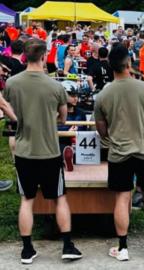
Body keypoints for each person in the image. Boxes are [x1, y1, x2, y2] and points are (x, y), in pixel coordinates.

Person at [4, 38, 82, 264]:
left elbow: (7, 107)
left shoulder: (13, 83)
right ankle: (67, 245)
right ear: (44, 55)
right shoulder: (55, 86)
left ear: (25, 55)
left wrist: (19, 119)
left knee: (26, 200)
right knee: (59, 198)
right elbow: (64, 117)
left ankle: (27, 250)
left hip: (24, 150)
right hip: (49, 150)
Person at [94, 44, 144, 261]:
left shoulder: (103, 94)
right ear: (129, 63)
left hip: (119, 151)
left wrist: (111, 137)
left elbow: (101, 129)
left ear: (110, 66)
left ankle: (123, 247)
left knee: (122, 197)